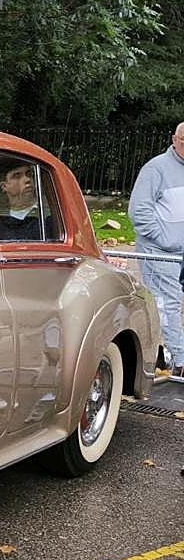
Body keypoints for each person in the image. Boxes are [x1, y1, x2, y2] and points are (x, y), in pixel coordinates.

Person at [129, 122, 184, 375]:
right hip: (162, 252)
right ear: (175, 139)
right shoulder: (155, 169)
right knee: (166, 304)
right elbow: (138, 211)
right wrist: (164, 240)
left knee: (169, 305)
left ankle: (166, 353)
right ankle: (180, 362)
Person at [0, 164, 43, 241]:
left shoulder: (49, 214)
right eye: (17, 176)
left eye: (29, 174)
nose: (27, 179)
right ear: (4, 186)